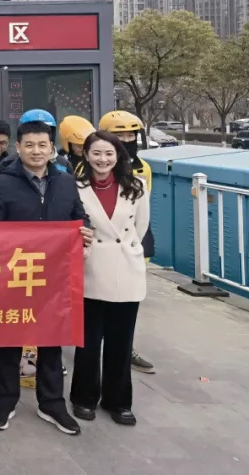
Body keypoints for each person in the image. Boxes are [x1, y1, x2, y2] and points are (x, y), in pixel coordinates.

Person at [0, 118, 92, 435]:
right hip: (14, 276)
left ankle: (52, 404)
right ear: (18, 147)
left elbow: (78, 217)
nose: (36, 151)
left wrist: (84, 231)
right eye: (29, 145)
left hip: (54, 278)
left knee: (51, 343)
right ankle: (4, 403)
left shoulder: (66, 182)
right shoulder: (3, 184)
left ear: (52, 148)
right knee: (9, 344)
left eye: (43, 145)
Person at [71, 131, 149, 427]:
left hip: (126, 270)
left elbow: (140, 228)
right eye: (96, 153)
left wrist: (126, 251)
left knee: (121, 341)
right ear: (85, 155)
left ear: (118, 156)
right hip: (90, 269)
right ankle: (83, 397)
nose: (102, 159)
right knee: (88, 342)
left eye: (108, 154)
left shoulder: (136, 187)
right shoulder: (75, 186)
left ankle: (118, 401)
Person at [98, 110, 155, 375]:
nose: (126, 140)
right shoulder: (90, 166)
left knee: (127, 303)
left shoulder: (143, 169)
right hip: (99, 248)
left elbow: (141, 214)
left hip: (131, 245)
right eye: (120, 136)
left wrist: (134, 245)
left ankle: (125, 348)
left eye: (131, 135)